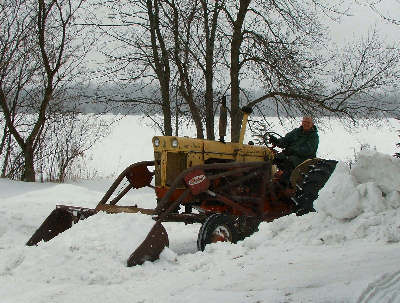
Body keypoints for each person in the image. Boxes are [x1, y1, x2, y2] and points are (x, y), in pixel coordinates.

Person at [268, 116, 319, 187]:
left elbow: (308, 150)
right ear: (302, 122)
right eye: (304, 122)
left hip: (305, 159)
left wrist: (292, 150)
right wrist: (276, 141)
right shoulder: (296, 132)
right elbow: (285, 140)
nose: (306, 124)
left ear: (312, 124)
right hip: (292, 155)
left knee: (290, 161)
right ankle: (268, 178)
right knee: (275, 158)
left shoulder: (313, 136)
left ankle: (283, 184)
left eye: (308, 122)